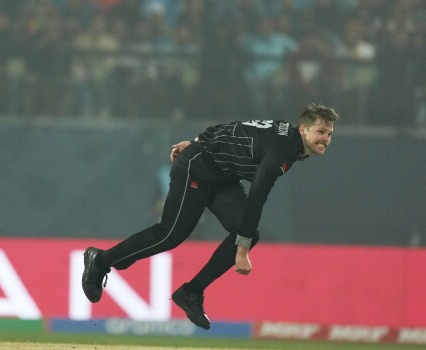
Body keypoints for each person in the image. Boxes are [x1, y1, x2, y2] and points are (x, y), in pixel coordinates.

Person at [82, 104, 339, 329]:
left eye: (329, 133)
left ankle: (190, 293)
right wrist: (242, 251)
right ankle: (100, 262)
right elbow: (258, 194)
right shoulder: (282, 151)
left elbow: (234, 129)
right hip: (197, 169)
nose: (326, 138)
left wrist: (196, 141)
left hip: (222, 176)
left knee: (247, 233)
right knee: (171, 235)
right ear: (303, 130)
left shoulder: (286, 133)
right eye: (321, 132)